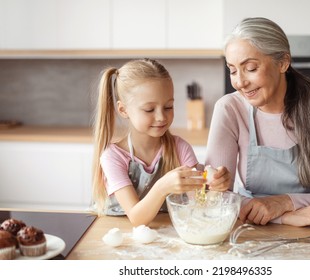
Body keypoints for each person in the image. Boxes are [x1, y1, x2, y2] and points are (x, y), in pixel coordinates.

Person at [205, 18, 310, 232]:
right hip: (251, 232)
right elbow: (217, 196)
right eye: (232, 70)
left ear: (283, 63)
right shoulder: (229, 109)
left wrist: (285, 202)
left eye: (250, 68)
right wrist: (284, 216)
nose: (239, 82)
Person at [92, 58, 230, 226]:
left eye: (168, 107)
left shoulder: (180, 148)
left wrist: (216, 186)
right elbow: (137, 218)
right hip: (118, 234)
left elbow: (199, 206)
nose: (161, 117)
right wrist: (163, 187)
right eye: (149, 109)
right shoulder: (112, 157)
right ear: (123, 110)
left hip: (162, 235)